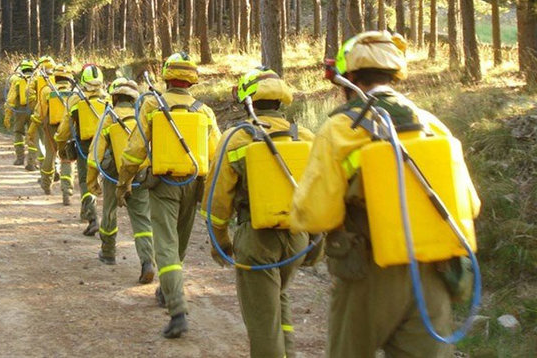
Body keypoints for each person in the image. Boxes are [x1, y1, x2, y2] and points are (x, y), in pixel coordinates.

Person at [288, 30, 481, 358]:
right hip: (433, 274)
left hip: (368, 273)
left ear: (349, 80)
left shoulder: (340, 129)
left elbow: (315, 213)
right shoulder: (433, 125)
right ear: (395, 75)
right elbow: (471, 205)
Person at [202, 68, 312, 358]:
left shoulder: (237, 138)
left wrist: (220, 242)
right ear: (281, 101)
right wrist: (316, 244)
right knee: (279, 298)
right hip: (297, 240)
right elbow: (321, 195)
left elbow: (217, 200)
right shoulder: (306, 137)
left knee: (263, 322)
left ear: (246, 99)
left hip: (257, 241)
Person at [117, 52, 221, 339]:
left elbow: (135, 149)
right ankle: (167, 288)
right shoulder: (205, 111)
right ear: (192, 79)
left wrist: (123, 181)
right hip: (195, 183)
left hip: (162, 184)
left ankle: (177, 310)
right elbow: (216, 155)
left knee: (166, 244)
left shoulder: (152, 104)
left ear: (166, 76)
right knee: (179, 244)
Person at [86, 77, 156, 284]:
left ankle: (108, 253)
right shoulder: (142, 117)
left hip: (113, 175)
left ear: (115, 97)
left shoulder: (109, 117)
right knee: (142, 220)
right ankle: (147, 262)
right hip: (139, 176)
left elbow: (95, 153)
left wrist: (92, 182)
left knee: (109, 212)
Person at [55, 64, 109, 236]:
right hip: (107, 145)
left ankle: (92, 217)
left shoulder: (75, 100)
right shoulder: (108, 99)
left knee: (86, 182)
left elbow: (64, 129)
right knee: (107, 183)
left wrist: (60, 143)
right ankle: (105, 220)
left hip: (85, 146)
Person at [34, 64, 75, 204]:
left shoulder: (47, 90)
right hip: (68, 128)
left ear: (55, 76)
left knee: (50, 155)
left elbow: (40, 112)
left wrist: (38, 124)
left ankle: (46, 185)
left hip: (51, 128)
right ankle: (67, 192)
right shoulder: (75, 93)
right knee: (67, 158)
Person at [25, 55, 56, 171]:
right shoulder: (58, 77)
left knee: (37, 138)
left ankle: (41, 164)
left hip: (40, 112)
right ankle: (54, 166)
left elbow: (28, 91)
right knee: (52, 142)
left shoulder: (36, 78)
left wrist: (34, 105)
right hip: (55, 115)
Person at [3, 58, 35, 165]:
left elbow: (10, 99)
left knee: (18, 133)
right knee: (33, 135)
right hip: (34, 110)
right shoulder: (37, 79)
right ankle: (31, 161)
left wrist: (7, 116)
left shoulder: (16, 80)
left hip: (20, 110)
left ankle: (20, 158)